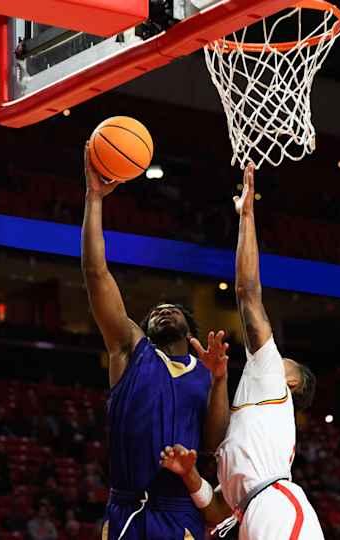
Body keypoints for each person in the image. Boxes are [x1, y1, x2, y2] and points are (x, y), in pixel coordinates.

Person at [160, 163, 323, 539]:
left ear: (291, 383)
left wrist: (246, 218)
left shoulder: (272, 381)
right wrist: (190, 475)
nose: (276, 356)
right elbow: (219, 504)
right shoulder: (253, 423)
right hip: (257, 513)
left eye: (285, 361)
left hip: (276, 508)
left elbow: (248, 294)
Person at [81, 142, 231, 540]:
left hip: (179, 510)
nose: (164, 310)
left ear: (189, 328)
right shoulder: (130, 351)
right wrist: (94, 198)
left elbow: (214, 444)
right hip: (126, 506)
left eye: (173, 309)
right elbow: (97, 275)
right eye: (156, 310)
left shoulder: (205, 373)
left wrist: (219, 380)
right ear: (144, 327)